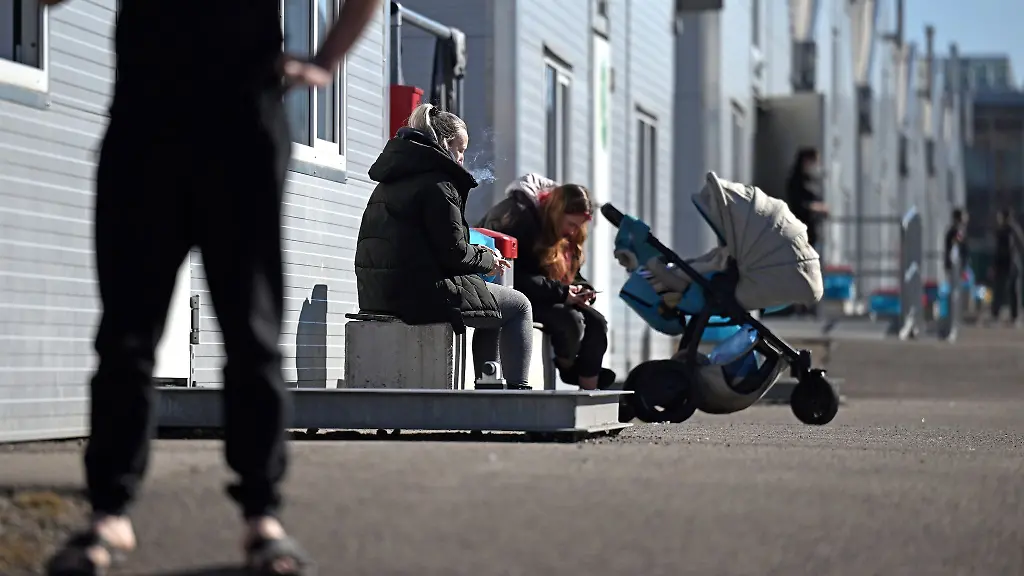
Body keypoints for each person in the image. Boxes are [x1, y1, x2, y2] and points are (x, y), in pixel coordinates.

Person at [44, 0, 384, 574]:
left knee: (251, 332)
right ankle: (109, 512)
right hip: (145, 127)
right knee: (127, 334)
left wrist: (325, 61)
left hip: (240, 130)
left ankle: (262, 516)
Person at [354, 104, 535, 388]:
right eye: (460, 149)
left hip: (378, 292)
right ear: (444, 144)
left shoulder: (392, 178)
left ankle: (490, 387)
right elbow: (454, 252)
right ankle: (514, 394)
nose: (462, 158)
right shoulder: (438, 184)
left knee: (492, 308)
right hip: (418, 293)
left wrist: (479, 256)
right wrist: (488, 259)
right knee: (519, 306)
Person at [477, 175, 615, 391]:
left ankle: (588, 389)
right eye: (571, 224)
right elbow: (515, 277)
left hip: (544, 293)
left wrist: (583, 289)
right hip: (511, 294)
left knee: (598, 324)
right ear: (557, 213)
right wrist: (563, 293)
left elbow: (571, 274)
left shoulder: (560, 230)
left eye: (578, 226)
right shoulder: (518, 218)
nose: (573, 231)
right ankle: (570, 368)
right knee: (570, 320)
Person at [785, 147, 829, 249]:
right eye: (814, 161)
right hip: (802, 227)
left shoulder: (810, 180)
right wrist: (818, 207)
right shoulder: (796, 181)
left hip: (813, 228)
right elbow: (799, 204)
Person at [990, 207, 1023, 325]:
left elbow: (1020, 245)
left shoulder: (1012, 230)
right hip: (1003, 264)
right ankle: (996, 314)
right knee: (1000, 289)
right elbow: (997, 251)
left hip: (1011, 264)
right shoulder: (1001, 231)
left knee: (1013, 290)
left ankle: (1014, 315)